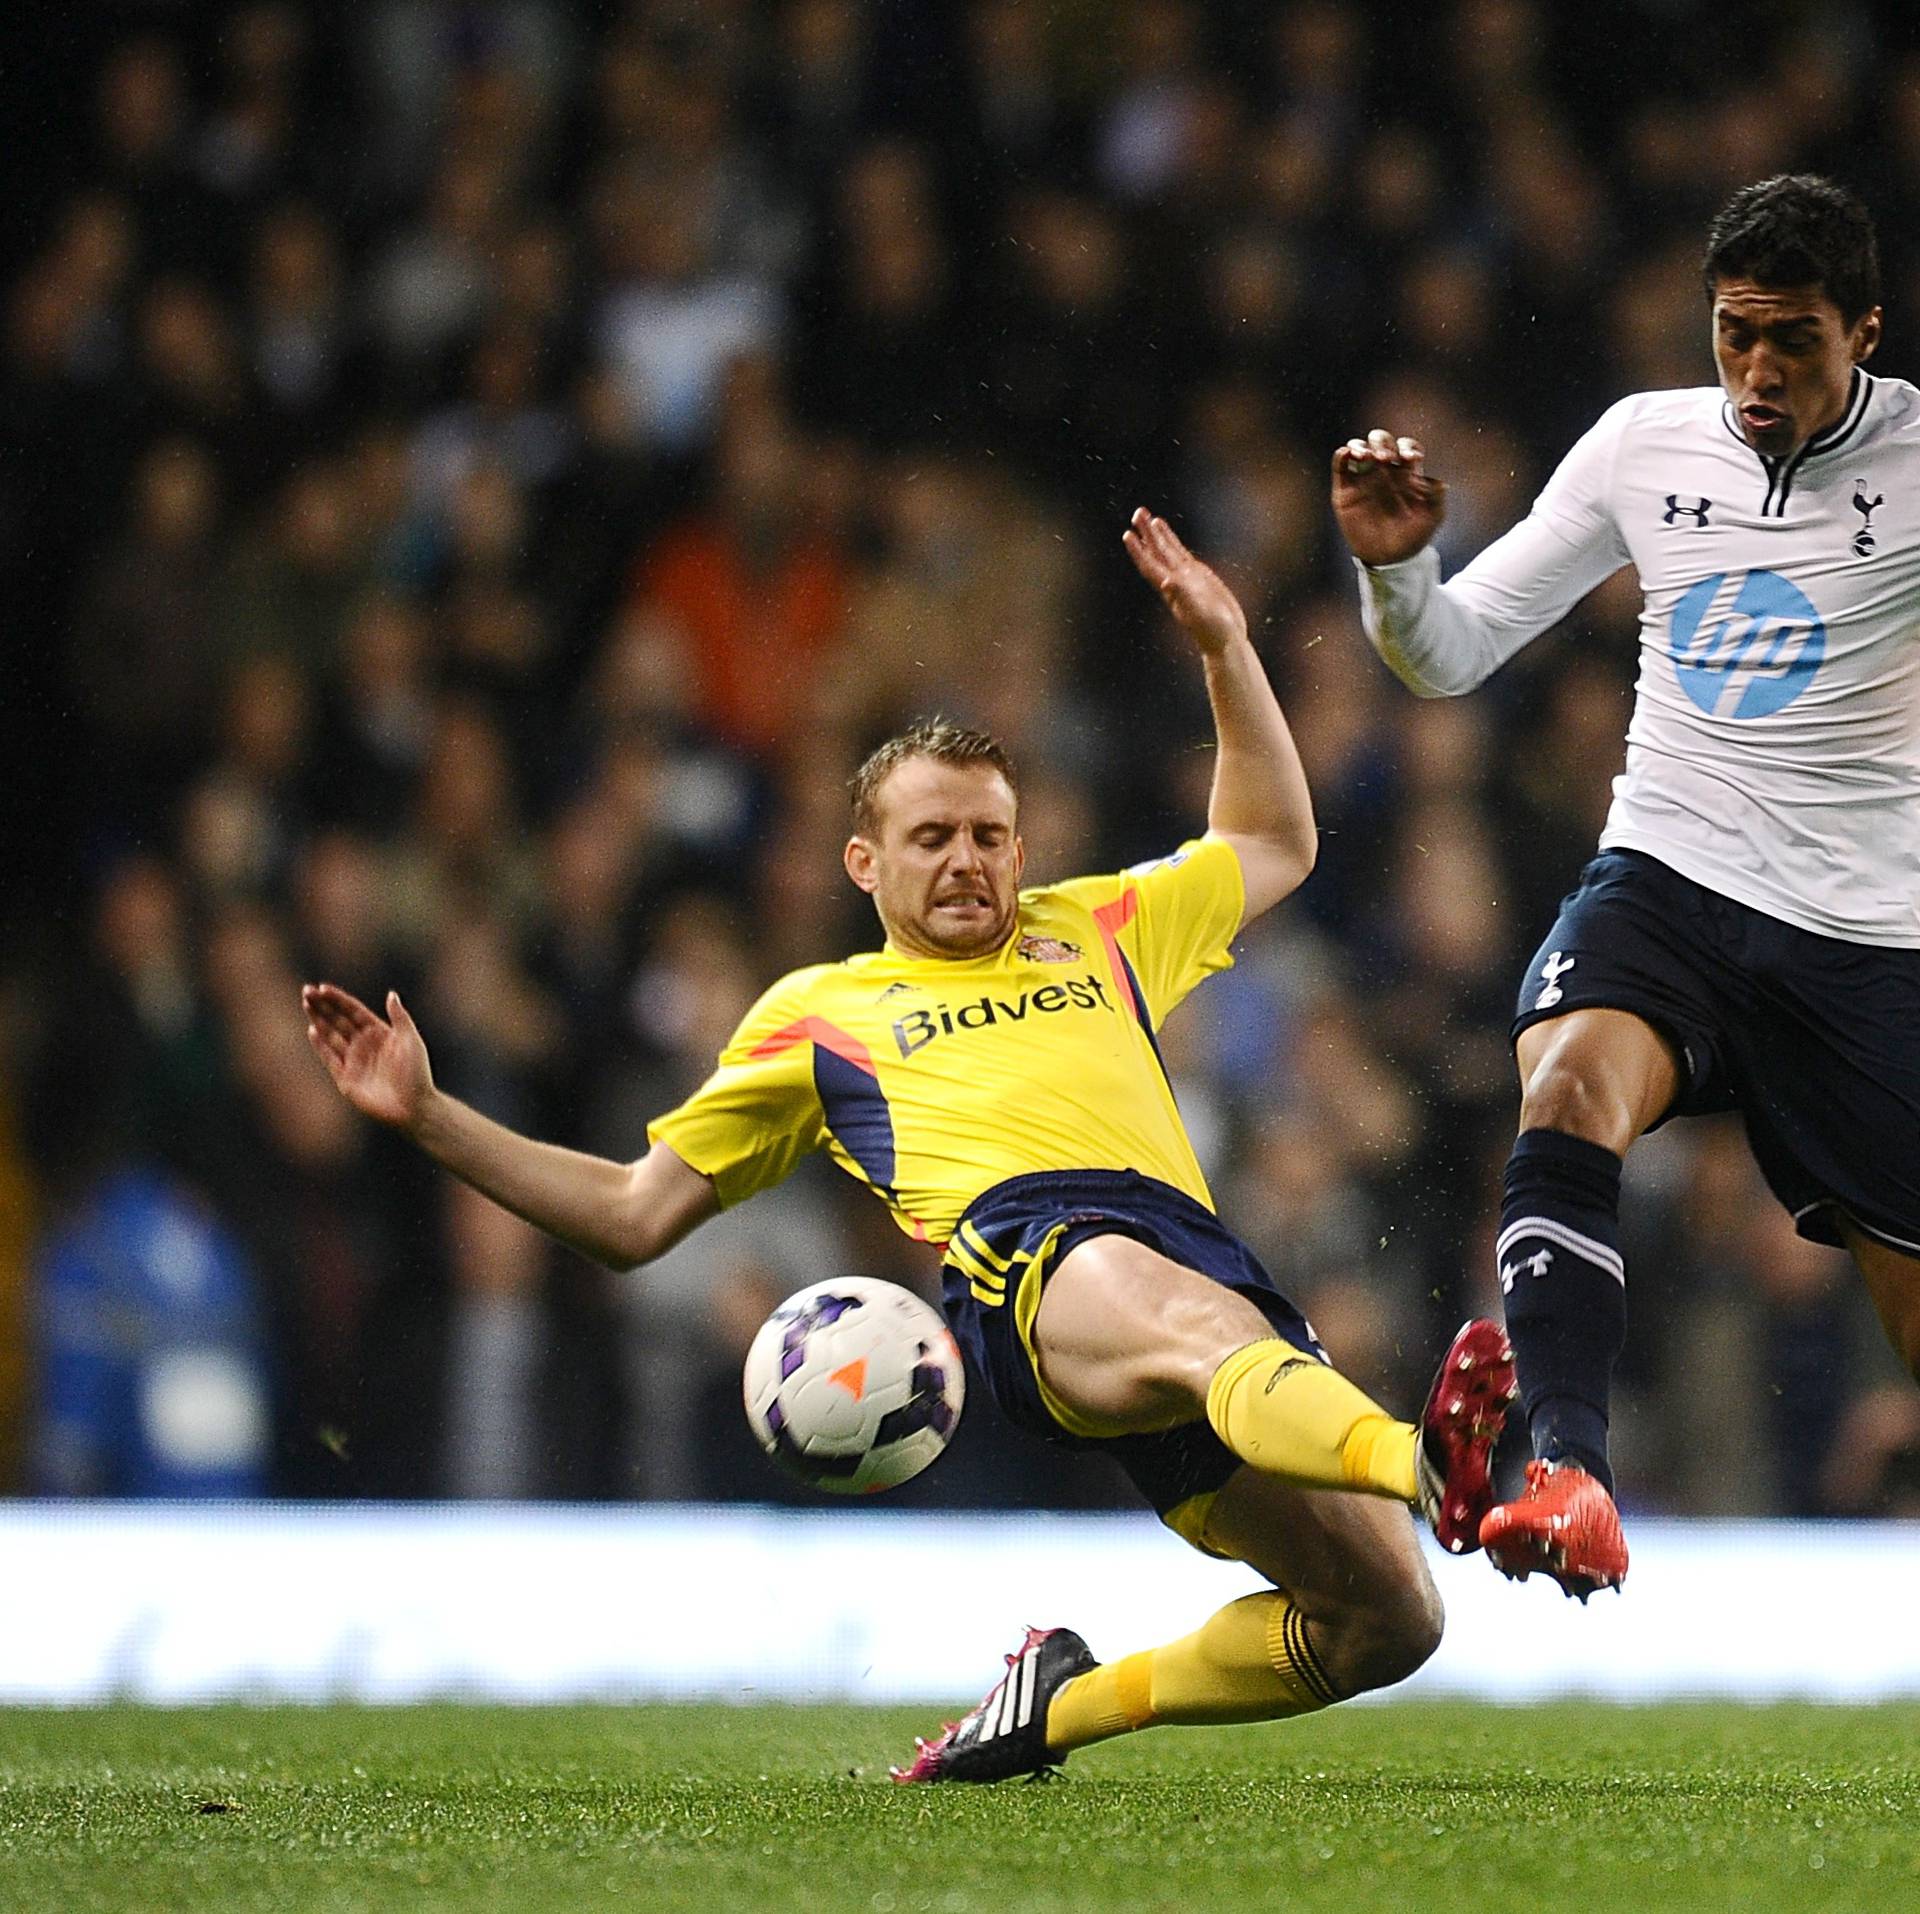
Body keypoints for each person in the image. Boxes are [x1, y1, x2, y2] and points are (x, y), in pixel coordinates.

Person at [304, 507, 1516, 1783]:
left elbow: (1272, 841)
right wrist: (434, 1118)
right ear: (863, 861)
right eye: (931, 838)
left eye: (989, 835)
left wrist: (1225, 645)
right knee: (1189, 1320)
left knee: (1388, 1619)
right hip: (1033, 1260)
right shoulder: (819, 1015)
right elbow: (630, 1211)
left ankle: (1057, 1708)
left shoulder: (1092, 926)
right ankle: (1424, 1460)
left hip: (1197, 1262)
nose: (966, 862)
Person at [1332, 174, 1920, 1598]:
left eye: (1794, 339)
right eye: (1734, 337)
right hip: (1670, 869)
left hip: (1864, 933)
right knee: (1568, 1084)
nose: (1760, 372)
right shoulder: (1640, 447)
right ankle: (1571, 1471)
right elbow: (1453, 653)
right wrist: (1401, 573)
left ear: (1868, 330)